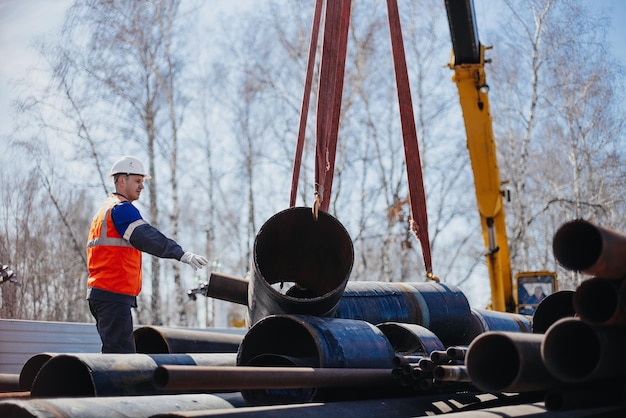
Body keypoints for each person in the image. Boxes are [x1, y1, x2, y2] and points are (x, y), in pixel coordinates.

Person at [86, 156, 209, 353]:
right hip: (113, 295)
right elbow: (148, 237)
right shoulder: (121, 209)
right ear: (121, 181)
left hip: (103, 293)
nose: (142, 186)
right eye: (137, 181)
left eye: (142, 181)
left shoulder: (104, 211)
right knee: (121, 361)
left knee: (113, 355)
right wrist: (181, 254)